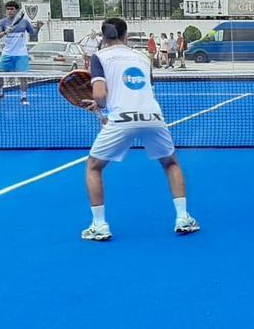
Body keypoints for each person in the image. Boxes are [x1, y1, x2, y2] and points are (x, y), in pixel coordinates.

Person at [80, 17, 199, 242]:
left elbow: (99, 95)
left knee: (94, 167)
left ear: (103, 36)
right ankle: (183, 217)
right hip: (153, 116)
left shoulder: (99, 57)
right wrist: (105, 107)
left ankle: (99, 225)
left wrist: (102, 108)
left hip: (122, 118)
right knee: (171, 163)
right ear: (126, 35)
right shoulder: (142, 57)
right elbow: (143, 90)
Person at [0, 0, 43, 106]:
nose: (10, 11)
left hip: (21, 54)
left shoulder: (24, 22)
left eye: (12, 9)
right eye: (8, 9)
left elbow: (33, 34)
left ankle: (23, 97)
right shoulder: (2, 23)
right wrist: (5, 32)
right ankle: (0, 94)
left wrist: (38, 27)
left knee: (23, 77)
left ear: (16, 11)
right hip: (7, 54)